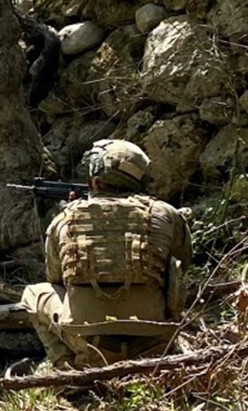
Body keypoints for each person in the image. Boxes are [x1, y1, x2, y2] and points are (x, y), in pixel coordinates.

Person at [20, 139, 190, 368]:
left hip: (92, 345)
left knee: (34, 293)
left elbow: (56, 278)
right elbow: (183, 266)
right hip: (155, 342)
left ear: (95, 180)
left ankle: (68, 367)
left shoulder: (64, 220)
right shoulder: (167, 215)